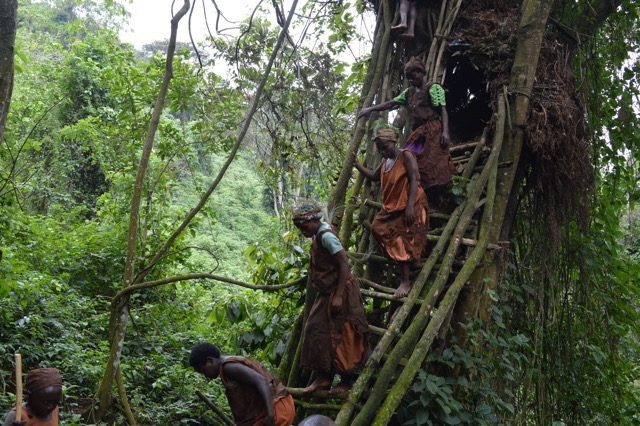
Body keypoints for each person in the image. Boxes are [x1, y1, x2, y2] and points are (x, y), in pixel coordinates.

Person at [292, 201, 370, 395]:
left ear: (314, 221)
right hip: (328, 292)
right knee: (315, 329)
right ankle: (324, 377)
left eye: (304, 227)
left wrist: (339, 295)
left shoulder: (326, 236)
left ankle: (346, 379)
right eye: (300, 229)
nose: (303, 232)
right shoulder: (318, 234)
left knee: (345, 334)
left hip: (341, 291)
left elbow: (344, 266)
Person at [358, 57, 456, 211]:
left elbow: (443, 110)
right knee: (409, 158)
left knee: (433, 162)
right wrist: (371, 109)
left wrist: (445, 131)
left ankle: (436, 202)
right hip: (418, 133)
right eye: (408, 78)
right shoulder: (409, 92)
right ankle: (418, 198)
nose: (411, 80)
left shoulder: (433, 88)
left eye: (414, 76)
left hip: (433, 130)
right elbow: (392, 103)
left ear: (422, 72)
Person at [353, 126, 429, 298]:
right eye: (380, 149)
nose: (383, 152)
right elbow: (374, 176)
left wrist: (410, 207)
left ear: (394, 143)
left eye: (385, 147)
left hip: (411, 203)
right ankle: (396, 259)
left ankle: (405, 280)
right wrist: (357, 165)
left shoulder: (406, 155)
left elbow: (414, 179)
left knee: (402, 236)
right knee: (377, 227)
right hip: (392, 207)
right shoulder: (385, 161)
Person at [189, 343, 295, 426]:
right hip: (276, 407)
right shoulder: (229, 364)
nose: (206, 376)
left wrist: (271, 415)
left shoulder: (228, 367)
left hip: (277, 411)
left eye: (203, 371)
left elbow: (261, 381)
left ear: (210, 361)